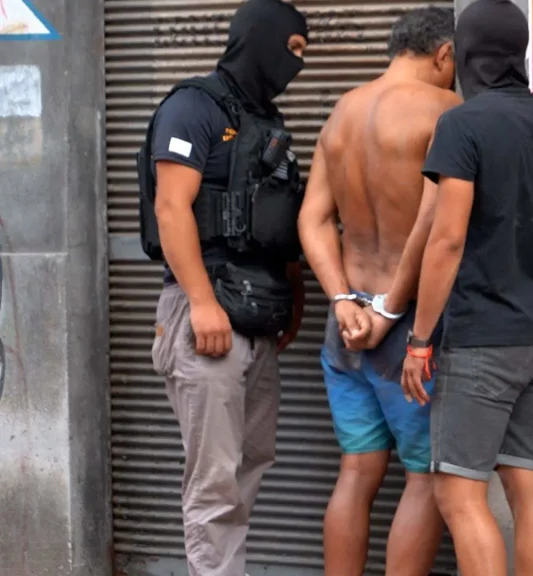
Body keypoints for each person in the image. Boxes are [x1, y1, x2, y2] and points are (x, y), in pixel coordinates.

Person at [384, 1, 533, 574]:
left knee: (457, 493)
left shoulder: (462, 125)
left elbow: (445, 241)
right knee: (529, 487)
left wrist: (421, 338)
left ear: (469, 53)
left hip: (480, 340)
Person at [139, 0, 309, 574]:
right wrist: (203, 304)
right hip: (207, 312)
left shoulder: (269, 122)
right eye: (293, 49)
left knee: (249, 464)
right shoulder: (193, 107)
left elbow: (279, 219)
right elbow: (170, 208)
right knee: (213, 484)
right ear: (260, 38)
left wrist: (295, 300)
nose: (299, 64)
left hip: (258, 317)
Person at [295, 7, 460, 576]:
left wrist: (343, 299)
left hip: (345, 329)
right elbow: (435, 227)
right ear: (444, 54)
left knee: (356, 473)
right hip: (408, 329)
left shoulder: (342, 110)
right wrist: (391, 309)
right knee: (426, 479)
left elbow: (312, 219)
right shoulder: (446, 111)